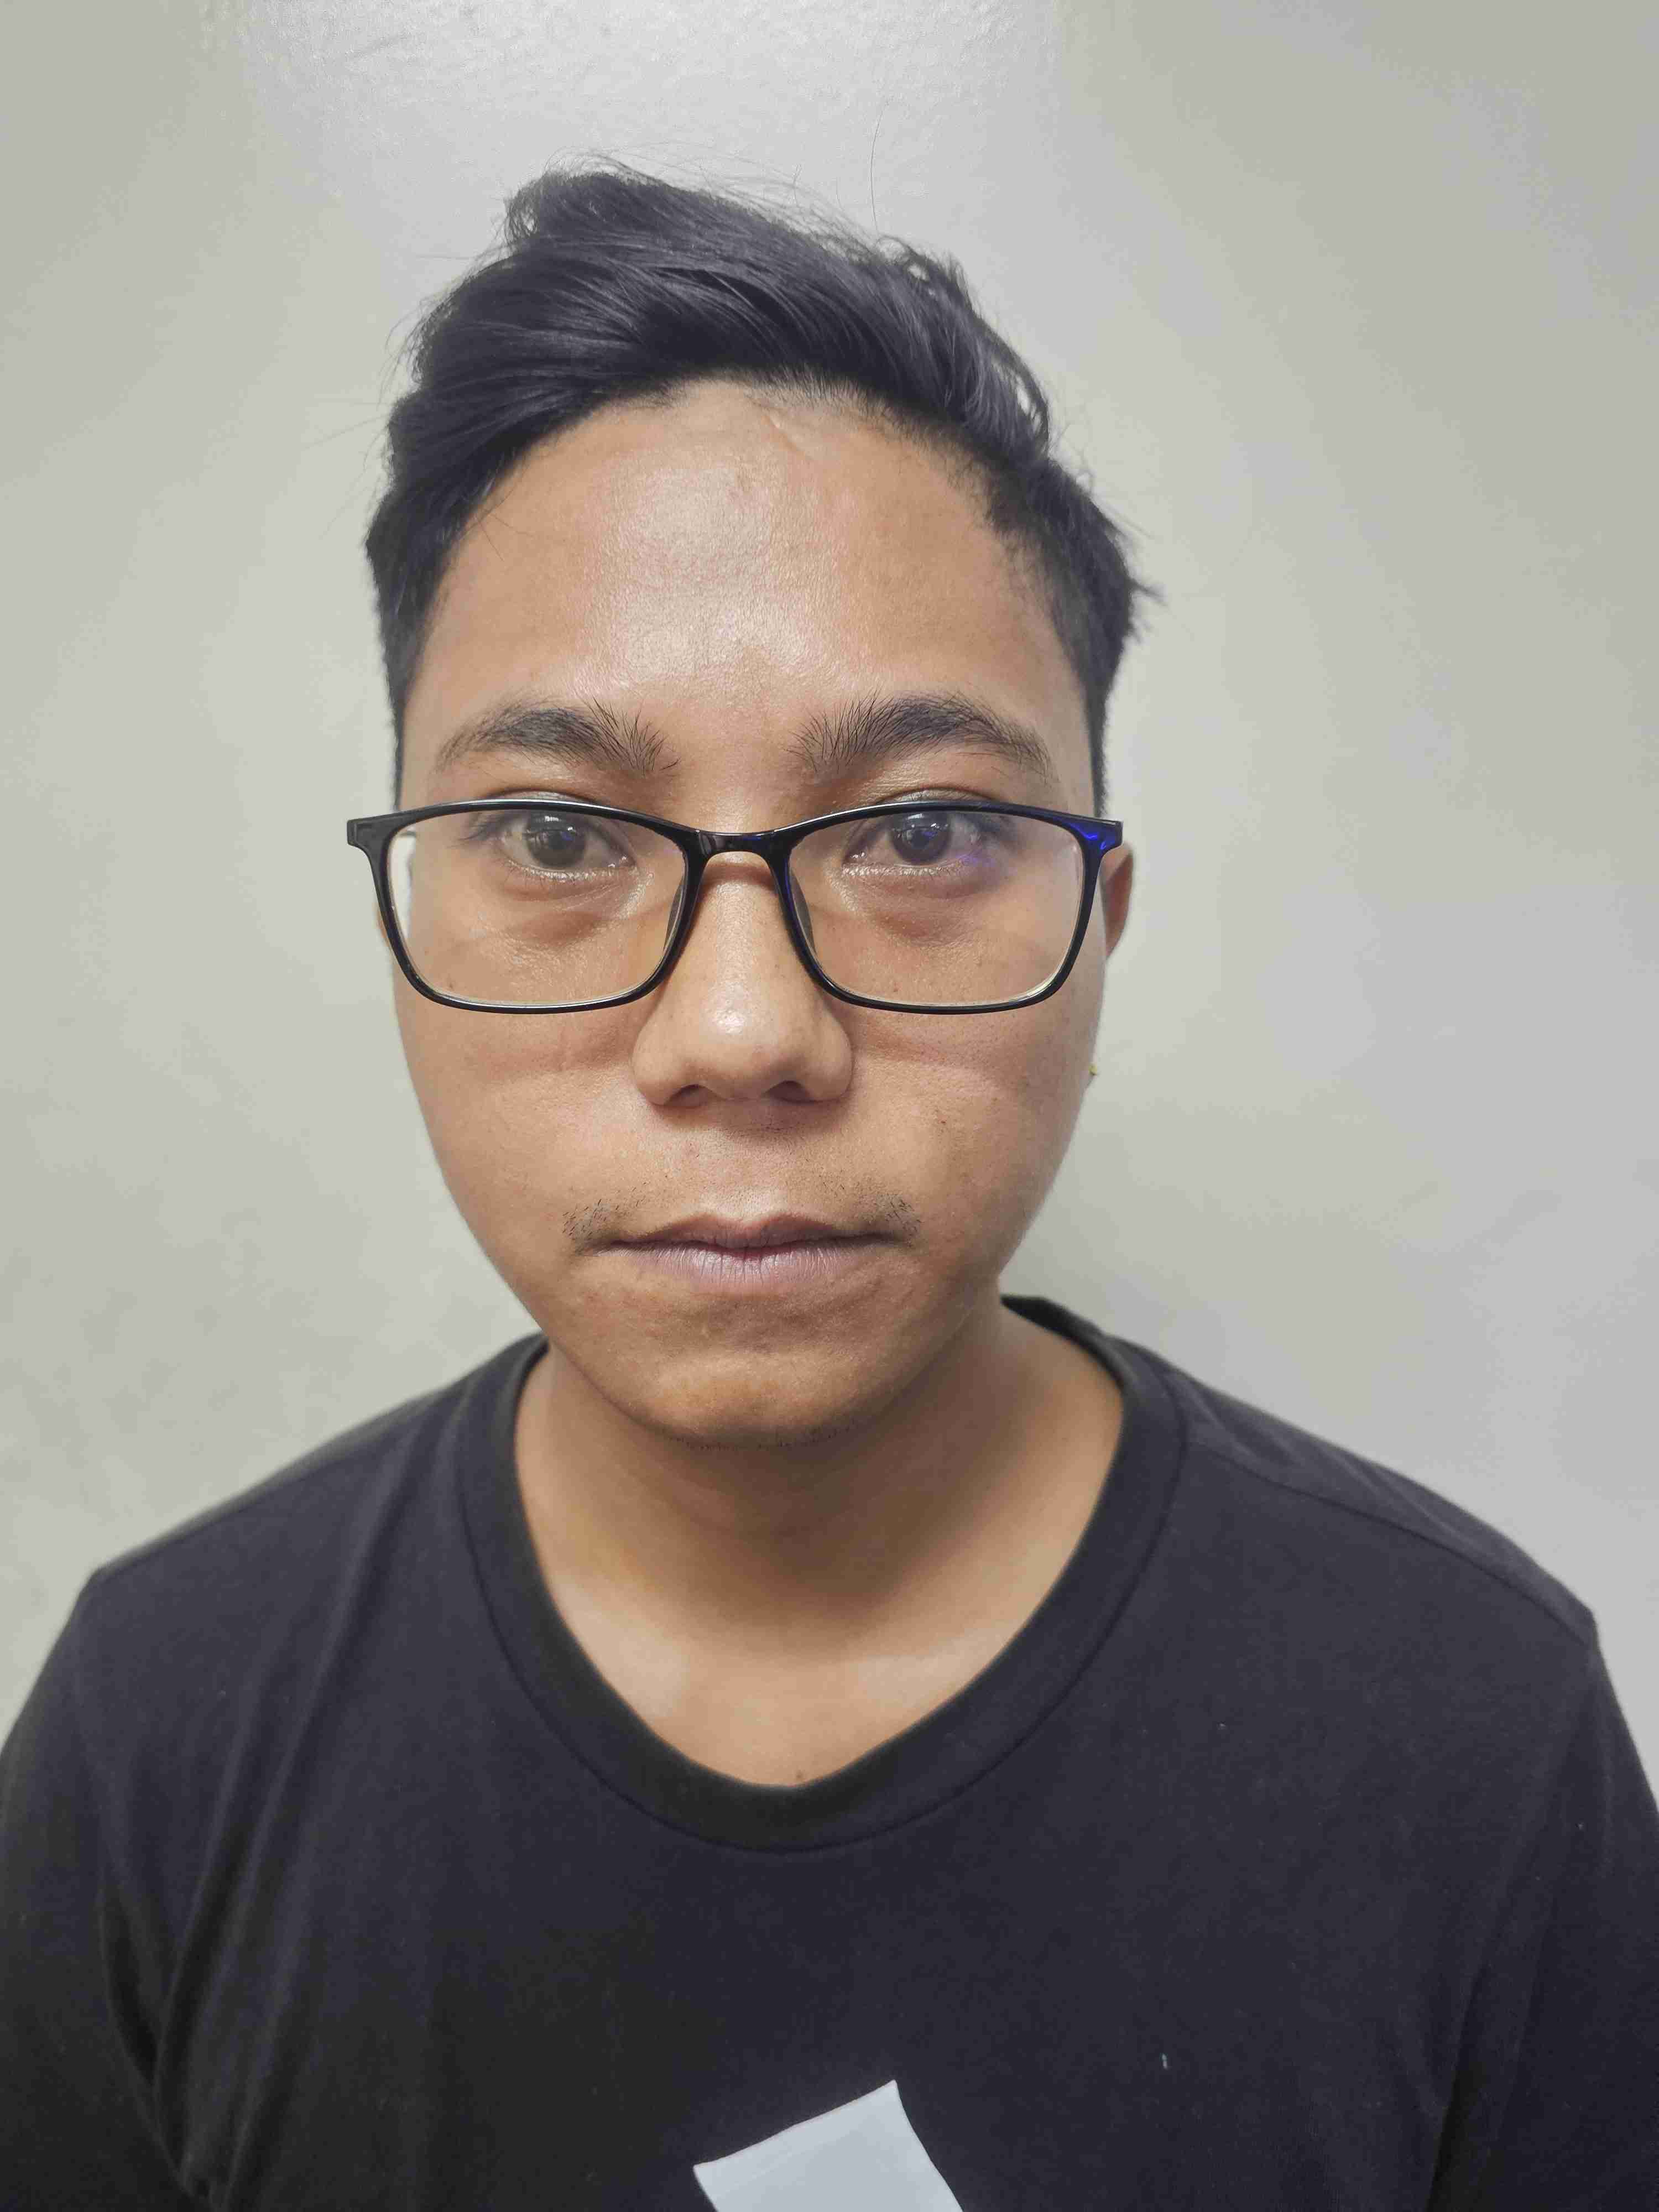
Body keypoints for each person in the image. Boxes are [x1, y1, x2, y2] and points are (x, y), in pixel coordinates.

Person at [3, 163, 1655, 2211]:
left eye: (924, 830)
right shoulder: (161, 1730)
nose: (740, 1031)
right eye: (554, 833)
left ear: (1101, 922)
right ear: (405, 914)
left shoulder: (1470, 1727)